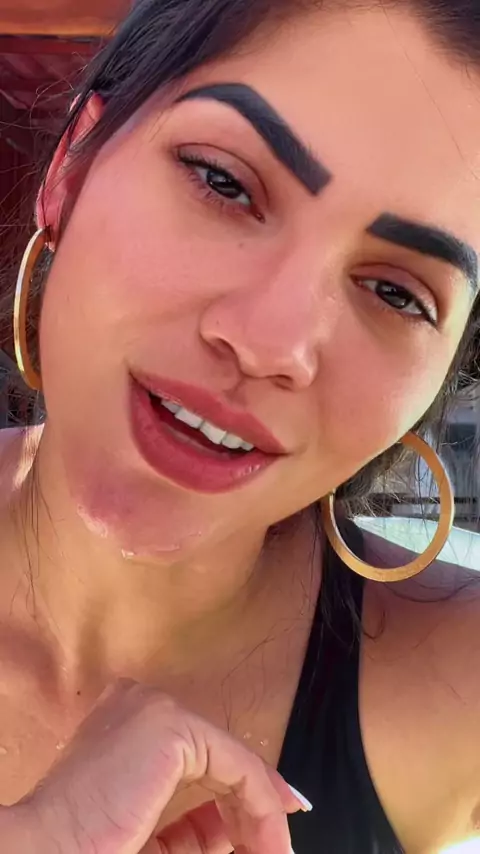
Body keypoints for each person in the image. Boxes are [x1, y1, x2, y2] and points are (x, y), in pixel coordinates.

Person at [0, 0, 480, 851]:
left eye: (397, 293)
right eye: (222, 182)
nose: (271, 344)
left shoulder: (456, 688)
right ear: (71, 166)